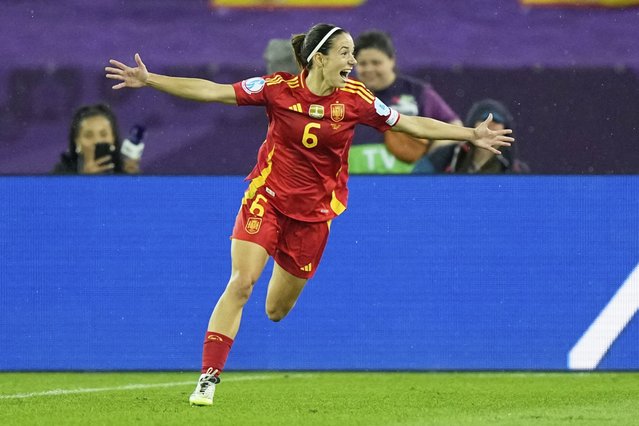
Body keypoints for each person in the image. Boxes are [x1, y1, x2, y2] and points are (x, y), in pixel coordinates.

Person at [105, 23, 513, 407]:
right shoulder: (277, 89)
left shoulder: (357, 99)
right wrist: (151, 79)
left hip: (314, 216)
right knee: (242, 282)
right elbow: (213, 91)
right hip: (266, 197)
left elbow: (409, 123)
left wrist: (471, 134)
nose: (352, 62)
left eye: (353, 54)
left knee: (275, 311)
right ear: (319, 58)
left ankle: (248, 318)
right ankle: (209, 376)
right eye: (345, 53)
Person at [349, 30, 462, 174]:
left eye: (376, 62)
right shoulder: (345, 94)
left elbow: (454, 126)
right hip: (356, 183)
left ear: (392, 60)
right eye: (363, 64)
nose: (369, 69)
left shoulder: (417, 92)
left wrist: (430, 161)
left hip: (408, 185)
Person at [413, 99, 529, 174]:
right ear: (472, 126)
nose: (489, 127)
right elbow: (416, 181)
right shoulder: (447, 155)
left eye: (497, 121)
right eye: (484, 120)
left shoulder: (515, 169)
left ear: (506, 131)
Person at [52, 103, 144, 175]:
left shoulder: (124, 170)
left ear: (113, 138)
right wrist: (83, 180)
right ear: (77, 141)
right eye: (88, 135)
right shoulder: (61, 173)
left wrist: (132, 180)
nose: (97, 141)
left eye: (103, 134)